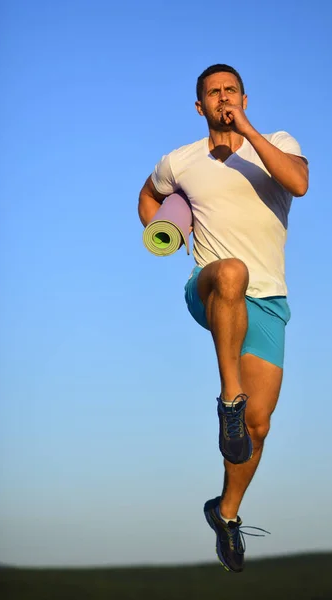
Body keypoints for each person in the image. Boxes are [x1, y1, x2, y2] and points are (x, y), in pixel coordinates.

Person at [138, 64, 309, 573]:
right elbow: (149, 194)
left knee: (257, 428)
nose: (222, 97)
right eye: (212, 93)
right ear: (200, 107)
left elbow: (298, 183)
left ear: (245, 98)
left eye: (230, 90)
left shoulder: (275, 141)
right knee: (230, 271)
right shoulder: (181, 160)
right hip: (211, 285)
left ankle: (226, 513)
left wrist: (248, 134)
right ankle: (228, 399)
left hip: (269, 300)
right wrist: (166, 231)